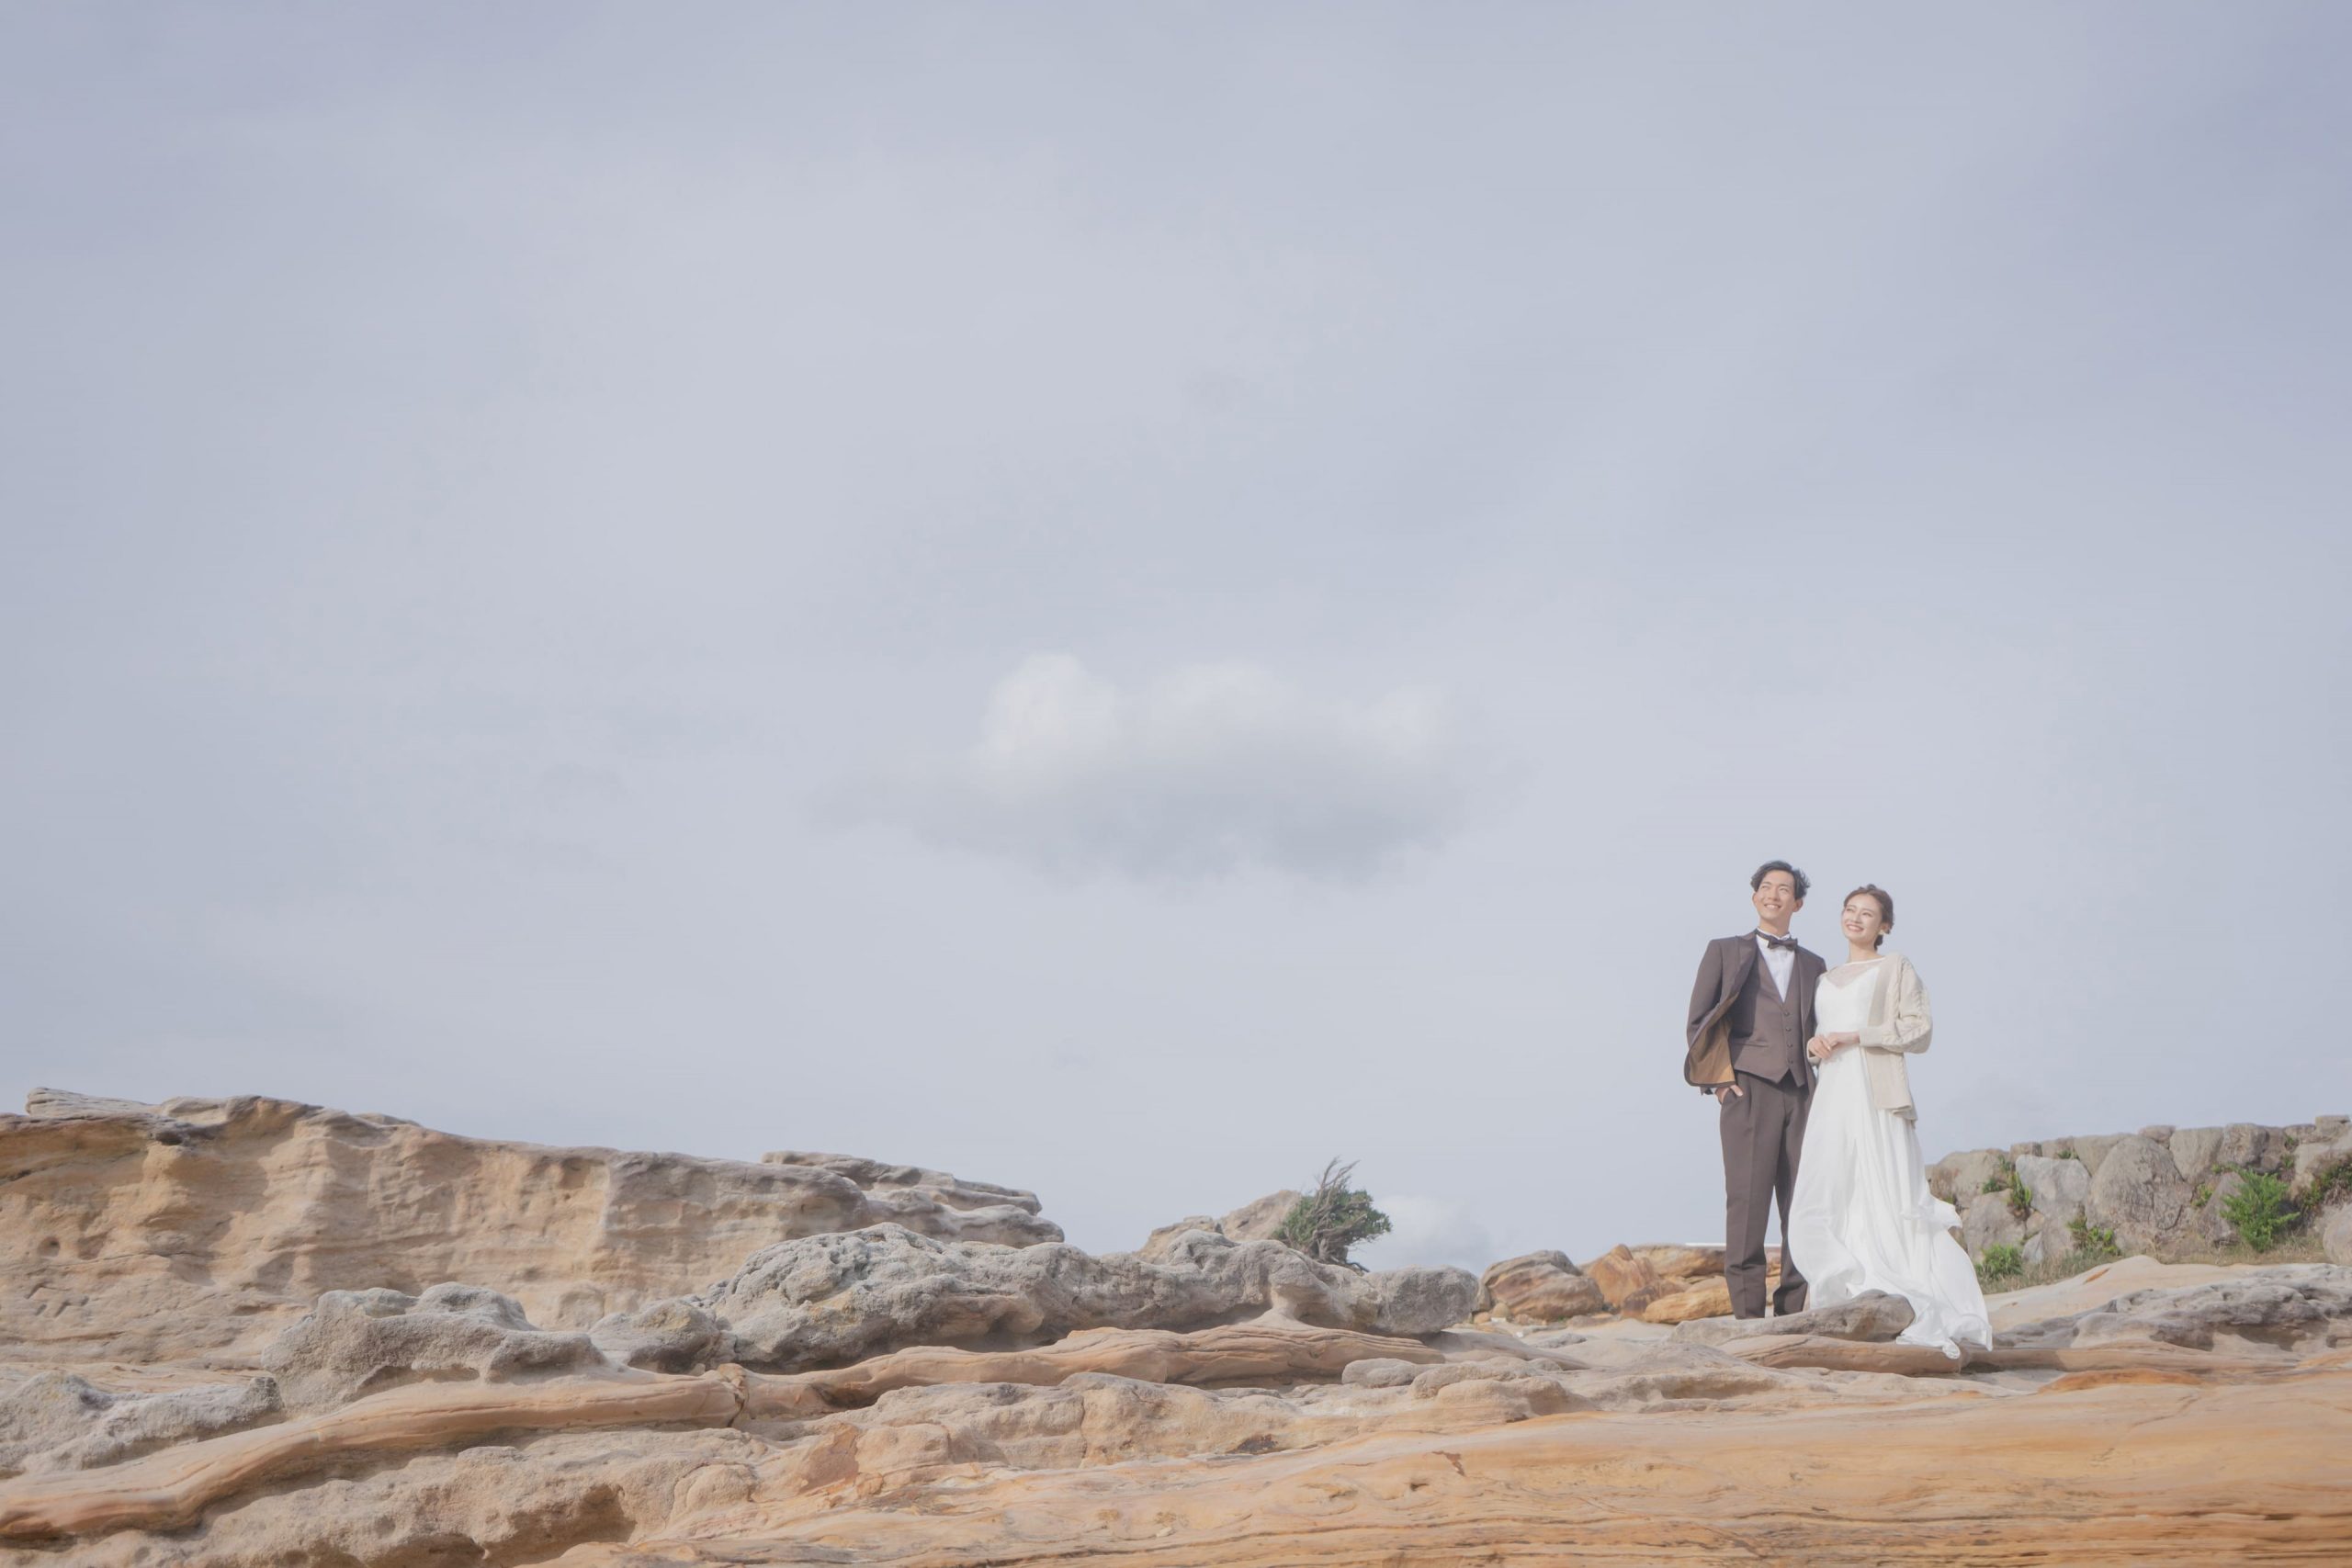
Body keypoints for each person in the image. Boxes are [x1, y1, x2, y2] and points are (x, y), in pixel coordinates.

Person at [1783, 885, 1991, 1359]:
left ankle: (1905, 1296)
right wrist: (1817, 1046)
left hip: (1875, 1093)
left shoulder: (1895, 967)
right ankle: (1835, 1291)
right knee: (1828, 1186)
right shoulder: (1824, 977)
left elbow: (1920, 1030)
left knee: (1884, 1189)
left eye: (1868, 913)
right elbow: (1820, 1036)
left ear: (1885, 925)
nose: (1856, 919)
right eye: (1850, 910)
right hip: (1834, 1094)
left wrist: (1857, 1035)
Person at [1685, 861, 1824, 1319]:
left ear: (1797, 903)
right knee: (1747, 1206)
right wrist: (1722, 1084)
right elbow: (1698, 1021)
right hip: (1746, 1090)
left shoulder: (1814, 965)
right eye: (1766, 887)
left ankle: (1793, 1314)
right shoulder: (1724, 951)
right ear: (1754, 897)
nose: (1774, 895)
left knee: (1803, 1206)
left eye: (1784, 890)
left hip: (1803, 1094)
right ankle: (1747, 1320)